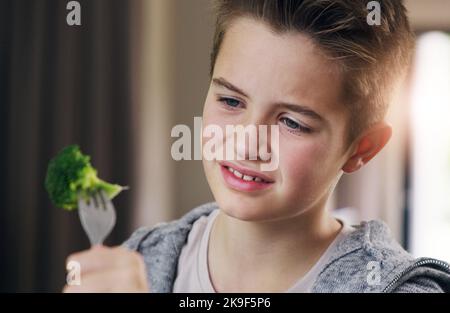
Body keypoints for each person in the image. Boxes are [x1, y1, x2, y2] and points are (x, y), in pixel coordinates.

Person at [63, 0, 450, 293]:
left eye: (292, 123)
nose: (247, 143)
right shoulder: (139, 261)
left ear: (362, 148)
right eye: (231, 101)